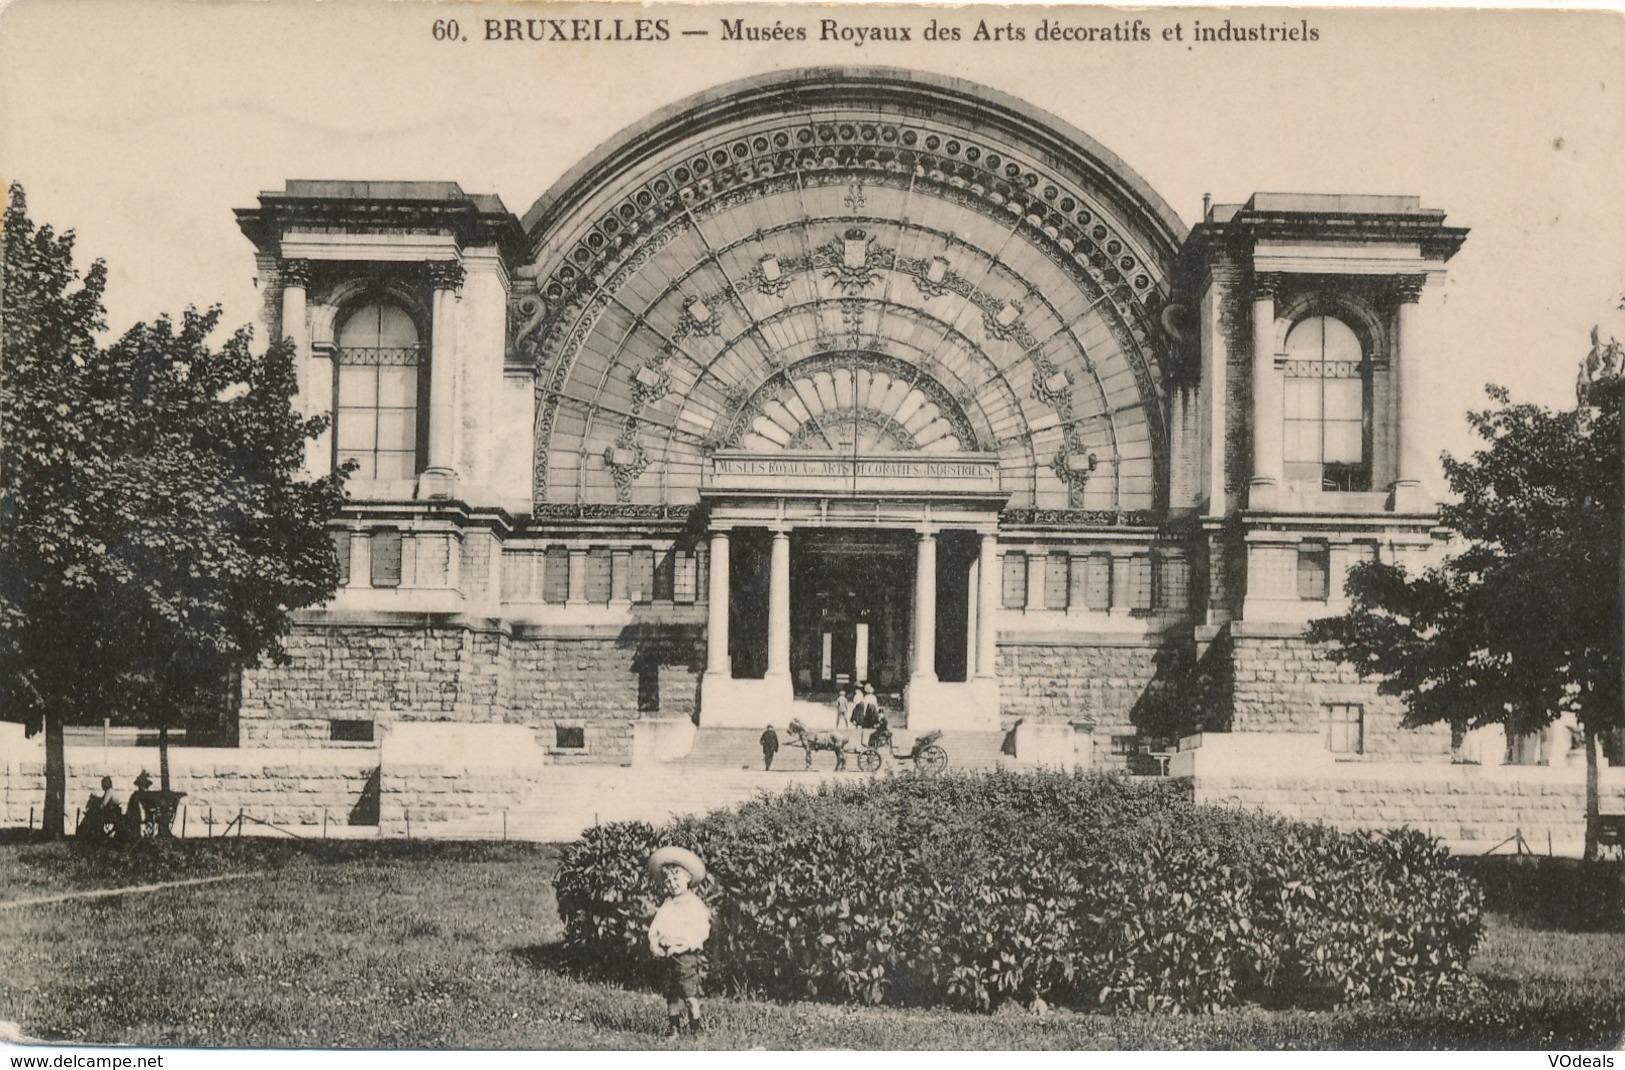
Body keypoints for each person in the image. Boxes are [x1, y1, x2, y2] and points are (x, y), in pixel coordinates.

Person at [646, 845, 711, 1039]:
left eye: (676, 878)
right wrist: (654, 942)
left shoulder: (694, 904)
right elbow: (655, 927)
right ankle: (673, 1028)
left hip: (684, 955)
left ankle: (696, 1028)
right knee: (671, 994)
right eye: (668, 880)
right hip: (667, 954)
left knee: (689, 994)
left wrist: (685, 944)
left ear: (688, 878)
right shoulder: (667, 904)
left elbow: (702, 930)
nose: (673, 883)